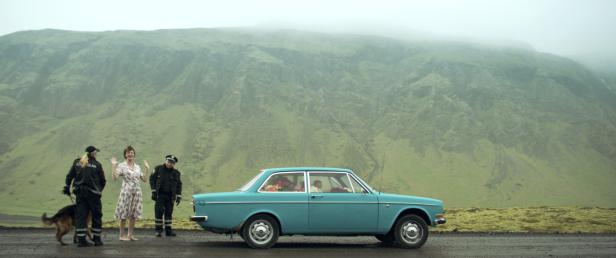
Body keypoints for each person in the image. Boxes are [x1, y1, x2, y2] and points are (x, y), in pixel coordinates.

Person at [63, 146, 106, 247]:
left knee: (81, 216)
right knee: (96, 215)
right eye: (96, 153)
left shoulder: (77, 162)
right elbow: (102, 181)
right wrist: (99, 191)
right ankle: (97, 239)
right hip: (93, 195)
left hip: (80, 194)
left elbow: (69, 176)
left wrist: (67, 187)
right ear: (93, 153)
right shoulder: (97, 165)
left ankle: (82, 240)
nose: (96, 154)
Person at [111, 146, 150, 241]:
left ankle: (130, 235)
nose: (130, 154)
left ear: (134, 154)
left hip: (136, 192)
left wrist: (147, 168)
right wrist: (114, 166)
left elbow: (144, 179)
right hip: (126, 192)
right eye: (128, 153)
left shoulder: (137, 167)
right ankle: (121, 235)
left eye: (132, 152)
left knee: (133, 214)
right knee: (124, 214)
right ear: (125, 155)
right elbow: (115, 178)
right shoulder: (122, 165)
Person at [149, 155, 182, 237]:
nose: (170, 163)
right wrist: (153, 191)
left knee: (169, 213)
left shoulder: (176, 173)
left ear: (174, 164)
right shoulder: (158, 169)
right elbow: (152, 179)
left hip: (170, 196)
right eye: (169, 161)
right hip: (160, 195)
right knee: (159, 212)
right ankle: (158, 231)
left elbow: (179, 184)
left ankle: (168, 231)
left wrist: (179, 195)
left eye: (172, 162)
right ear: (166, 161)